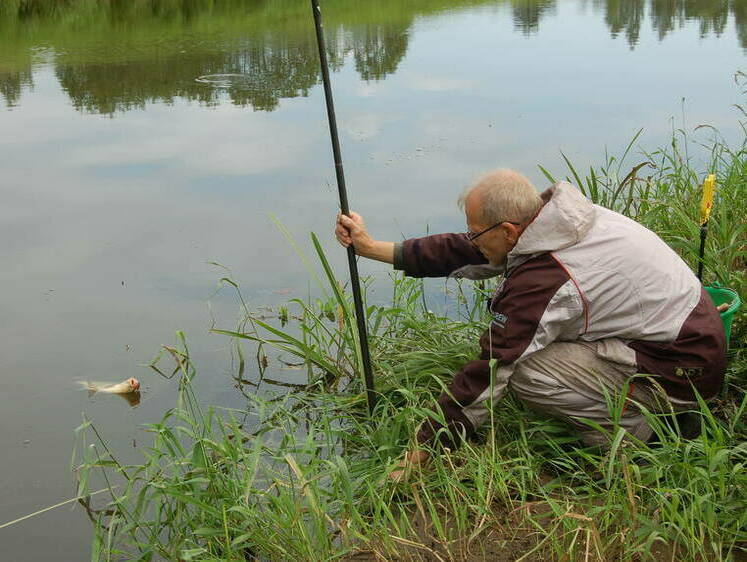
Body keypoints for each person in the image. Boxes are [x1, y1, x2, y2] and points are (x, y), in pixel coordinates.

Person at [334, 169, 726, 475]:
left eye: (477, 233)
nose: (471, 240)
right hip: (686, 341)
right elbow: (466, 249)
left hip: (680, 369)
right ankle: (643, 414)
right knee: (530, 350)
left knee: (524, 372)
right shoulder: (559, 222)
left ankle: (643, 440)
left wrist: (422, 450)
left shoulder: (548, 275)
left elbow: (491, 368)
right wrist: (371, 248)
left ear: (508, 230)